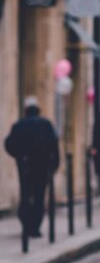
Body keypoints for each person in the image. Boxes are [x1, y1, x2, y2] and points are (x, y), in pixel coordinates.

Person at [4, 96, 60, 239]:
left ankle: (26, 225)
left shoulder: (19, 125)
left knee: (26, 195)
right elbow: (54, 145)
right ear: (38, 110)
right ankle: (35, 227)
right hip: (42, 166)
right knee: (39, 196)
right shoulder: (46, 124)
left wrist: (18, 156)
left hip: (25, 166)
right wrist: (54, 165)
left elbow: (8, 144)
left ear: (26, 110)